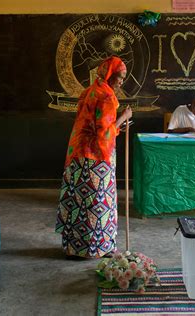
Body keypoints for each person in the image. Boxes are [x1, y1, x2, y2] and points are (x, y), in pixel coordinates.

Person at [55, 56, 132, 259]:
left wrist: (116, 126)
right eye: (120, 77)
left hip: (77, 153)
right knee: (96, 202)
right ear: (110, 75)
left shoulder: (89, 91)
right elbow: (103, 135)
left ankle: (75, 247)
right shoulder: (106, 97)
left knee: (78, 198)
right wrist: (124, 118)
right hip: (96, 158)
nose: (122, 81)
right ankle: (97, 247)